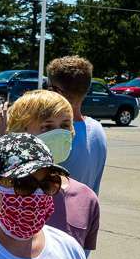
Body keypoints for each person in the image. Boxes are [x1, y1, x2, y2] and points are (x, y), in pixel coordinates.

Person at [0, 89, 100, 254]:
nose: (59, 133)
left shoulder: (86, 198)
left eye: (65, 125)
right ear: (19, 132)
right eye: (47, 127)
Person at [45, 56, 108, 195]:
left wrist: (5, 136)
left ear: (57, 91)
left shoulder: (55, 135)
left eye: (48, 87)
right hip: (85, 213)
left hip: (57, 216)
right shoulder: (98, 129)